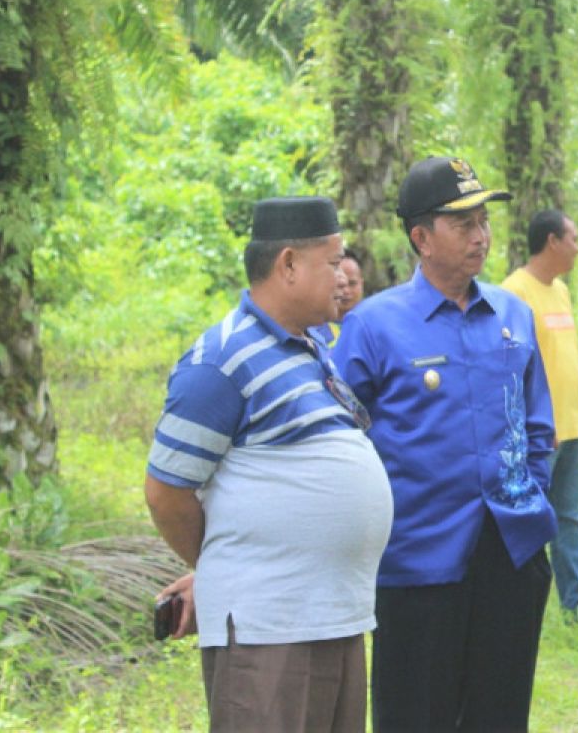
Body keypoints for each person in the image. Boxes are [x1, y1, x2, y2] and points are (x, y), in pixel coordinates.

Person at [144, 196, 392, 733]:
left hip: (331, 618)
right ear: (288, 266)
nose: (345, 279)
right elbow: (166, 493)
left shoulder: (310, 347)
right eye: (333, 263)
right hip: (270, 631)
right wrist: (221, 567)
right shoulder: (219, 361)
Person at [332, 156, 557, 732]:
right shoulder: (372, 325)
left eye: (483, 221)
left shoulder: (513, 314)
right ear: (421, 238)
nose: (480, 236)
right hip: (417, 559)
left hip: (510, 550)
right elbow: (340, 444)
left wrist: (530, 494)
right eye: (463, 224)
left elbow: (538, 426)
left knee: (500, 714)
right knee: (416, 716)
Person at [502, 209, 578, 623]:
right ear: (552, 241)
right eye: (574, 238)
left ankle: (576, 603)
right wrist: (533, 423)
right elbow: (512, 367)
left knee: (570, 517)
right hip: (539, 432)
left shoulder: (561, 291)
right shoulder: (515, 292)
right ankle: (522, 604)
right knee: (530, 517)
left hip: (574, 427)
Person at [312, 248, 364, 346]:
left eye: (352, 283)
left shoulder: (372, 324)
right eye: (339, 283)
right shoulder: (314, 331)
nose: (346, 290)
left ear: (362, 283)